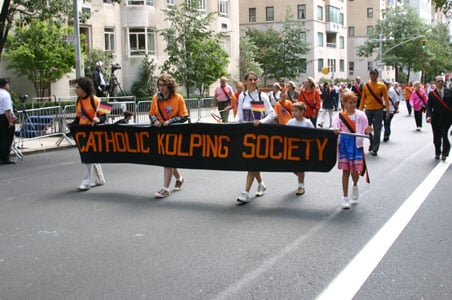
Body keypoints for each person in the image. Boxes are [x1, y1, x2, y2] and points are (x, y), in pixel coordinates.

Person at [234, 71, 276, 203]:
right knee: (252, 162)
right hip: (246, 132)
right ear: (246, 81)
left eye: (255, 80)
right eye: (250, 80)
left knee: (251, 162)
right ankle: (261, 184)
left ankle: (245, 192)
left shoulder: (262, 96)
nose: (253, 82)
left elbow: (272, 114)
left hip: (258, 133)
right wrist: (234, 123)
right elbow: (239, 115)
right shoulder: (242, 96)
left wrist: (261, 122)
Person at [149, 74, 189, 198]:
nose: (161, 88)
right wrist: (154, 120)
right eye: (159, 85)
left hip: (174, 133)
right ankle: (180, 178)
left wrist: (170, 121)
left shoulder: (178, 98)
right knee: (168, 159)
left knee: (167, 159)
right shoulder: (155, 98)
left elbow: (184, 116)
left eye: (164, 85)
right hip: (161, 133)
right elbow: (151, 113)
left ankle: (165, 189)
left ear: (170, 86)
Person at [332, 92, 373, 209]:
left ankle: (355, 184)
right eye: (350, 102)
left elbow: (365, 129)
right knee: (345, 171)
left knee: (355, 172)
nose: (353, 105)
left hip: (356, 145)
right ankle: (345, 197)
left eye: (354, 102)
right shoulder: (338, 117)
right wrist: (334, 130)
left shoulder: (361, 115)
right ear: (344, 103)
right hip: (344, 146)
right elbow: (334, 127)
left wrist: (368, 130)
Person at [71, 77, 106, 191]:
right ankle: (99, 178)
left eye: (77, 87)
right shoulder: (78, 101)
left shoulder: (95, 100)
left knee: (88, 157)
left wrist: (98, 119)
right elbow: (78, 117)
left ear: (84, 88)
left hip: (93, 131)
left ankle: (86, 182)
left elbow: (105, 113)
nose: (75, 89)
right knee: (91, 156)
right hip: (83, 132)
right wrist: (71, 124)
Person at [359, 69, 390, 156]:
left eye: (374, 74)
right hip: (368, 109)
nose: (372, 76)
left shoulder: (382, 86)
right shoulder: (366, 85)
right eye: (371, 74)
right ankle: (372, 141)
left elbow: (386, 99)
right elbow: (363, 98)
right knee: (366, 128)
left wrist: (387, 110)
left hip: (378, 110)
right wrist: (360, 110)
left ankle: (375, 148)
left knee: (377, 128)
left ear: (377, 75)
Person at [287, 102, 314, 195]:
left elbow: (314, 134)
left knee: (301, 167)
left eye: (296, 111)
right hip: (292, 148)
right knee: (291, 167)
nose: (293, 113)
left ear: (302, 111)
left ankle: (301, 185)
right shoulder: (290, 122)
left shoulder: (307, 123)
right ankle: (300, 176)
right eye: (292, 111)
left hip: (303, 149)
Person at [426, 75, 452, 161]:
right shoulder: (432, 94)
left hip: (447, 118)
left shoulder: (449, 92)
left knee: (444, 134)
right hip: (436, 118)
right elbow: (429, 106)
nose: (440, 82)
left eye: (441, 81)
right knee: (436, 137)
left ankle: (445, 152)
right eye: (438, 81)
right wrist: (429, 116)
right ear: (435, 83)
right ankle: (437, 152)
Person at [0, 78, 17, 164]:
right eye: (7, 84)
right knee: (6, 138)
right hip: (4, 118)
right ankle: (4, 157)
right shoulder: (5, 94)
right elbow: (7, 110)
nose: (8, 85)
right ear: (5, 85)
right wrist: (10, 120)